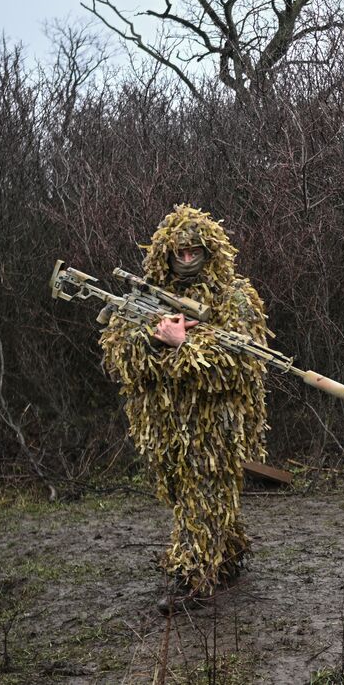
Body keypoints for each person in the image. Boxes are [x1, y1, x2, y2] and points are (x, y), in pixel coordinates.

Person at [99, 204, 269, 610]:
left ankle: (194, 579)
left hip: (214, 424)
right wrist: (154, 341)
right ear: (166, 254)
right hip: (161, 424)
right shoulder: (143, 298)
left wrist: (184, 345)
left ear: (211, 252)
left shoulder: (234, 297)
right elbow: (119, 359)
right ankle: (225, 556)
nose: (188, 259)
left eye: (196, 252)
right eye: (180, 253)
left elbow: (241, 364)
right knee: (184, 493)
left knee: (203, 492)